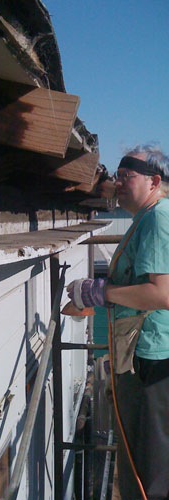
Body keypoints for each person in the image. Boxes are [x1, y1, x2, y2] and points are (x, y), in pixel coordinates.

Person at [67, 144, 169, 499]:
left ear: (154, 181)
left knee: (150, 467)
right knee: (144, 459)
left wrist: (102, 293)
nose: (118, 182)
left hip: (150, 360)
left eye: (128, 176)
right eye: (117, 175)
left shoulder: (157, 218)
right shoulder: (146, 217)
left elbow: (161, 294)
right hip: (141, 355)